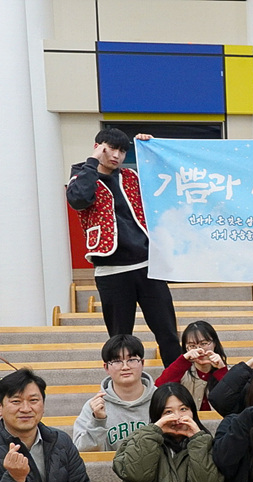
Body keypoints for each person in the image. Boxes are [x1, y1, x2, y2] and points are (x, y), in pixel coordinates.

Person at [65, 128, 179, 367]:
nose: (116, 155)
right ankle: (124, 383)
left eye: (122, 151)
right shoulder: (82, 177)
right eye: (111, 149)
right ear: (98, 147)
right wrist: (93, 161)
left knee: (168, 332)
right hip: (112, 270)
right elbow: (79, 199)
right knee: (120, 339)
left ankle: (177, 383)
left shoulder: (131, 176)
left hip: (147, 265)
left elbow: (164, 182)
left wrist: (151, 149)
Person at [112, 383, 224, 482]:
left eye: (183, 409)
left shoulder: (204, 443)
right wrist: (154, 431)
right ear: (157, 415)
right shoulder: (142, 439)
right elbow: (137, 476)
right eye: (168, 412)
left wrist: (197, 440)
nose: (177, 417)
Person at [73, 334, 155, 453]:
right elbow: (82, 452)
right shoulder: (94, 406)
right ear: (106, 367)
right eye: (117, 361)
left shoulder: (161, 400)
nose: (125, 367)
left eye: (131, 360)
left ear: (142, 363)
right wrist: (98, 421)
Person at [154, 321, 228, 411]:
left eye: (204, 343)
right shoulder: (181, 371)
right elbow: (159, 388)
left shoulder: (227, 370)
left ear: (215, 343)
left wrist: (222, 369)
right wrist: (183, 360)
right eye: (192, 346)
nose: (199, 349)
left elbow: (236, 398)